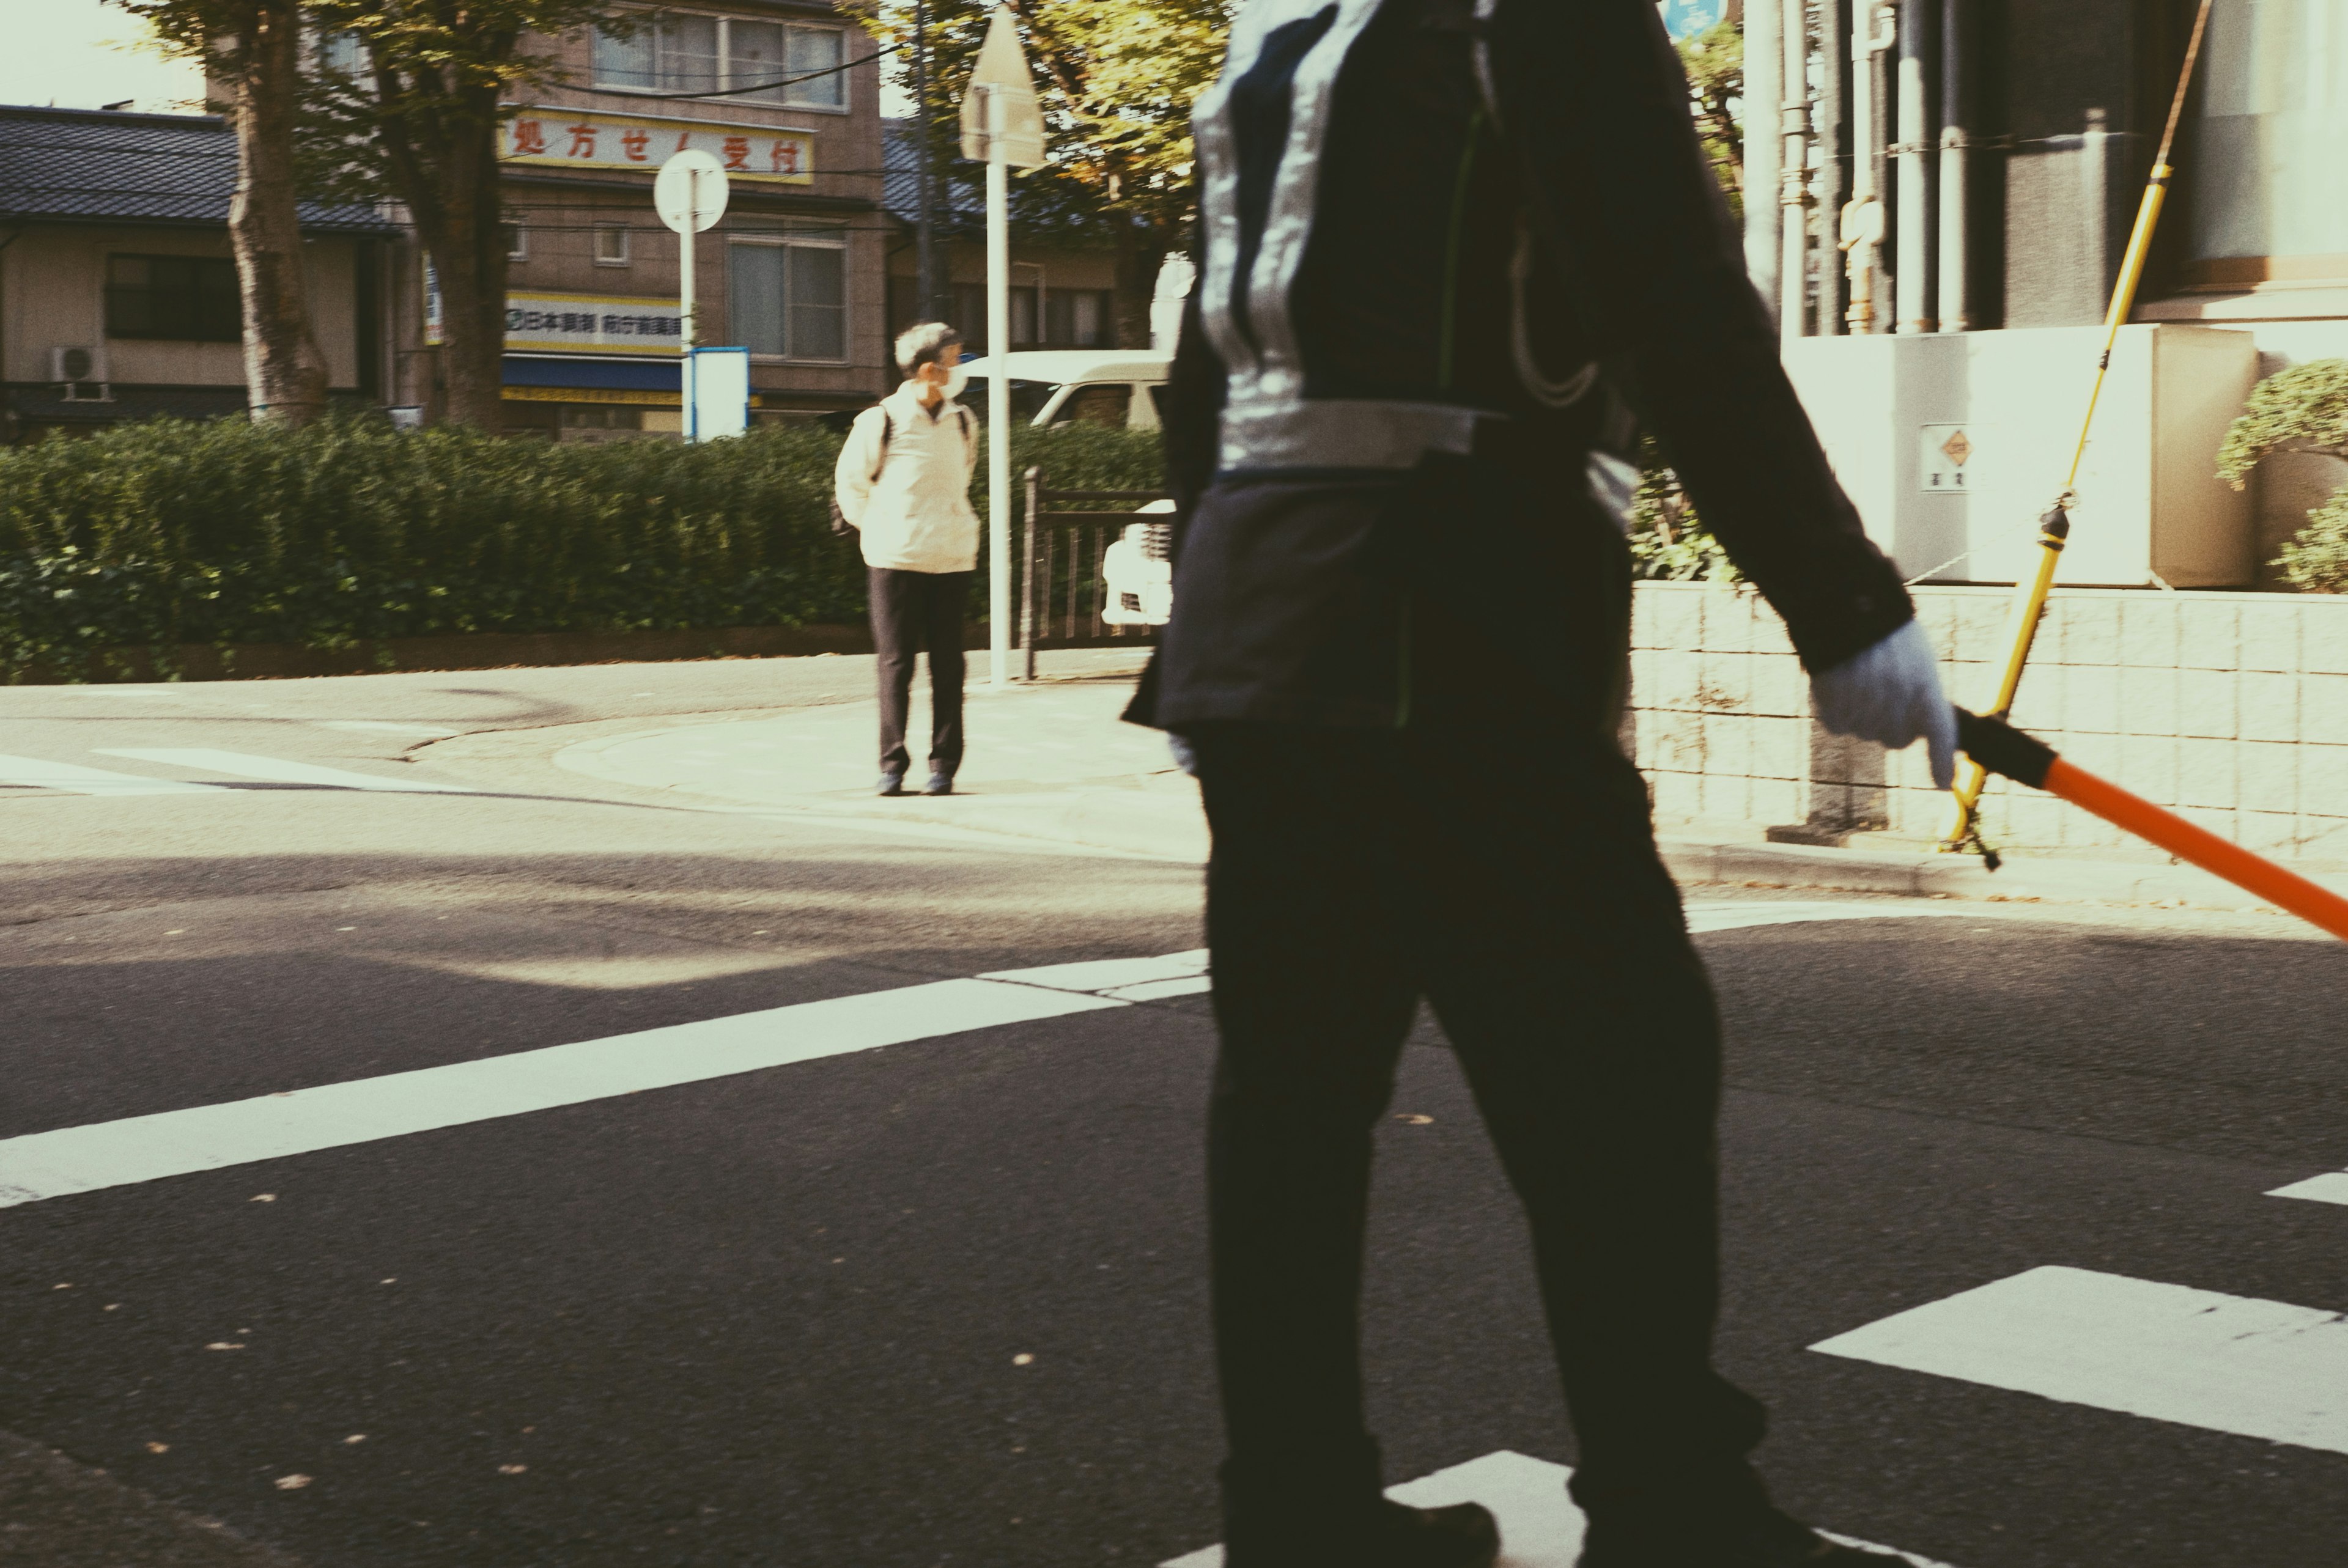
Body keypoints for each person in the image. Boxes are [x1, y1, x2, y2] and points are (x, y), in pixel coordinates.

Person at [1125, 2, 1958, 1565]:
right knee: (1621, 1073)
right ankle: (1675, 1511)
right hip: (1448, 618)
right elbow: (1667, 294)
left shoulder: (1282, 43)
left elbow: (1199, 377)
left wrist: (1192, 641)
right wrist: (1842, 604)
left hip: (1264, 631)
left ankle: (1295, 1515)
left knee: (1294, 1097)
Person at [835, 322, 981, 797]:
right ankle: (892, 765)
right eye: (954, 359)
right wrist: (880, 532)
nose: (959, 368)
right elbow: (851, 485)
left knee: (948, 665)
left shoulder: (964, 421)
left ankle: (944, 766)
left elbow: (964, 477)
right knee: (897, 664)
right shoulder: (882, 419)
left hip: (952, 557)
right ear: (927, 368)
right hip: (894, 558)